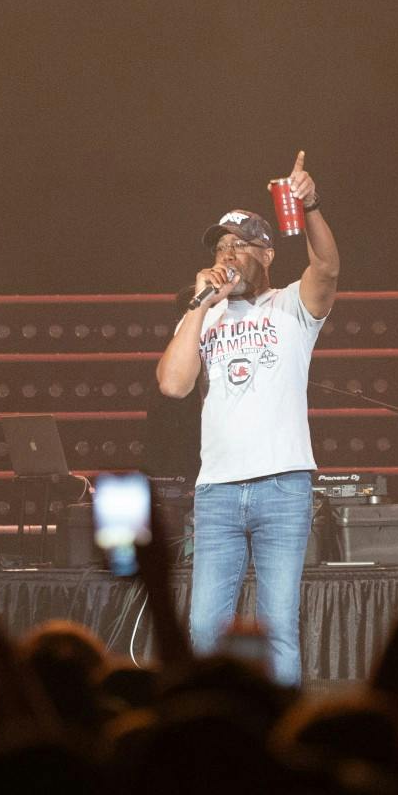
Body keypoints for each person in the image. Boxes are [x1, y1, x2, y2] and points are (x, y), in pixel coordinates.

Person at [156, 152, 337, 685]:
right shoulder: (205, 315)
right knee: (206, 628)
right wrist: (198, 304)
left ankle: (278, 738)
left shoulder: (290, 306)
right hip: (216, 492)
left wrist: (312, 208)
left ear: (267, 252)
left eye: (238, 245)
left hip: (282, 486)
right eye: (219, 247)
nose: (226, 255)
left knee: (278, 623)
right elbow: (173, 384)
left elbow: (326, 268)